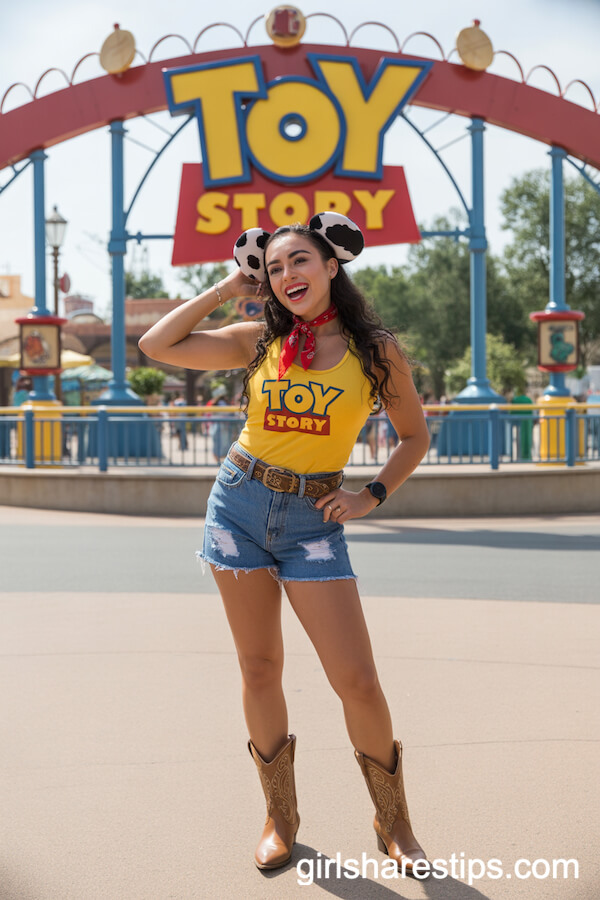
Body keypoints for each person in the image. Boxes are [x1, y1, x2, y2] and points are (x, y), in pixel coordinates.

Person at [139, 213, 430, 874]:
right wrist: (224, 288)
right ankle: (281, 815)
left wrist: (370, 495)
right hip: (236, 506)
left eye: (299, 261)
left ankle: (394, 819)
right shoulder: (257, 339)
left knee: (356, 679)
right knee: (260, 668)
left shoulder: (376, 351)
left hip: (313, 523)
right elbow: (158, 344)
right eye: (272, 267)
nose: (286, 275)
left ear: (333, 265)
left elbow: (414, 436)